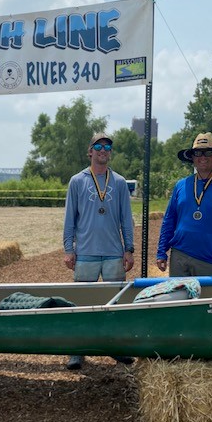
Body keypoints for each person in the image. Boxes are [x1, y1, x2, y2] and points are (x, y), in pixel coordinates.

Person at [63, 132, 135, 370]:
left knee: (114, 305)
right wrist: (68, 249)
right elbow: (69, 219)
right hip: (85, 253)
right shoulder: (77, 181)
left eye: (108, 146)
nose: (103, 150)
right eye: (99, 146)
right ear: (90, 151)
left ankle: (117, 348)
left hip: (114, 253)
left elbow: (127, 219)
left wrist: (129, 249)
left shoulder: (120, 182)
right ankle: (77, 351)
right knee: (80, 305)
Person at [156, 132, 212, 277]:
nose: (202, 157)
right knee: (179, 299)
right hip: (179, 257)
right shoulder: (181, 185)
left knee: (208, 300)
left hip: (211, 262)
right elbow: (169, 220)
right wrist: (162, 251)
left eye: (208, 152)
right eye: (197, 153)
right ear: (192, 157)